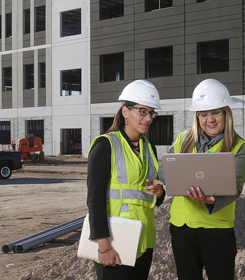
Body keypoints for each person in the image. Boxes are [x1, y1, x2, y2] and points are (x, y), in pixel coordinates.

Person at [153, 78, 245, 280]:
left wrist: (210, 200)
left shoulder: (238, 146)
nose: (210, 119)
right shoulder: (183, 139)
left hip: (217, 230)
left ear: (226, 113)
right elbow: (164, 172)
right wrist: (162, 181)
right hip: (182, 229)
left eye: (215, 112)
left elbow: (237, 187)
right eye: (203, 114)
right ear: (197, 117)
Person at [86, 79, 166, 280]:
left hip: (144, 239)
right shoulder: (106, 145)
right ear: (125, 111)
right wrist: (103, 246)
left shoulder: (149, 148)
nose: (148, 118)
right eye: (143, 111)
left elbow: (150, 194)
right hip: (115, 240)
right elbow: (95, 198)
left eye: (151, 113)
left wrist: (159, 193)